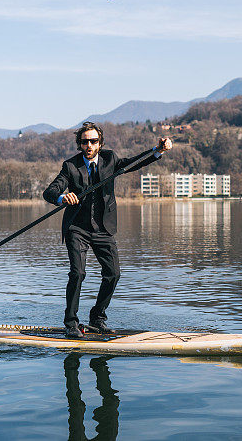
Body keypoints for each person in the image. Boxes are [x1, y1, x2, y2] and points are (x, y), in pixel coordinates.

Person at [43, 121, 172, 338]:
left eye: (93, 141)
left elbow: (133, 163)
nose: (89, 145)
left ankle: (97, 317)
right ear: (80, 144)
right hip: (77, 227)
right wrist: (62, 197)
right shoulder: (70, 166)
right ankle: (71, 323)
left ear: (100, 143)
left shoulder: (110, 159)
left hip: (104, 228)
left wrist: (157, 151)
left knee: (113, 274)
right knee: (78, 273)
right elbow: (50, 191)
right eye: (85, 142)